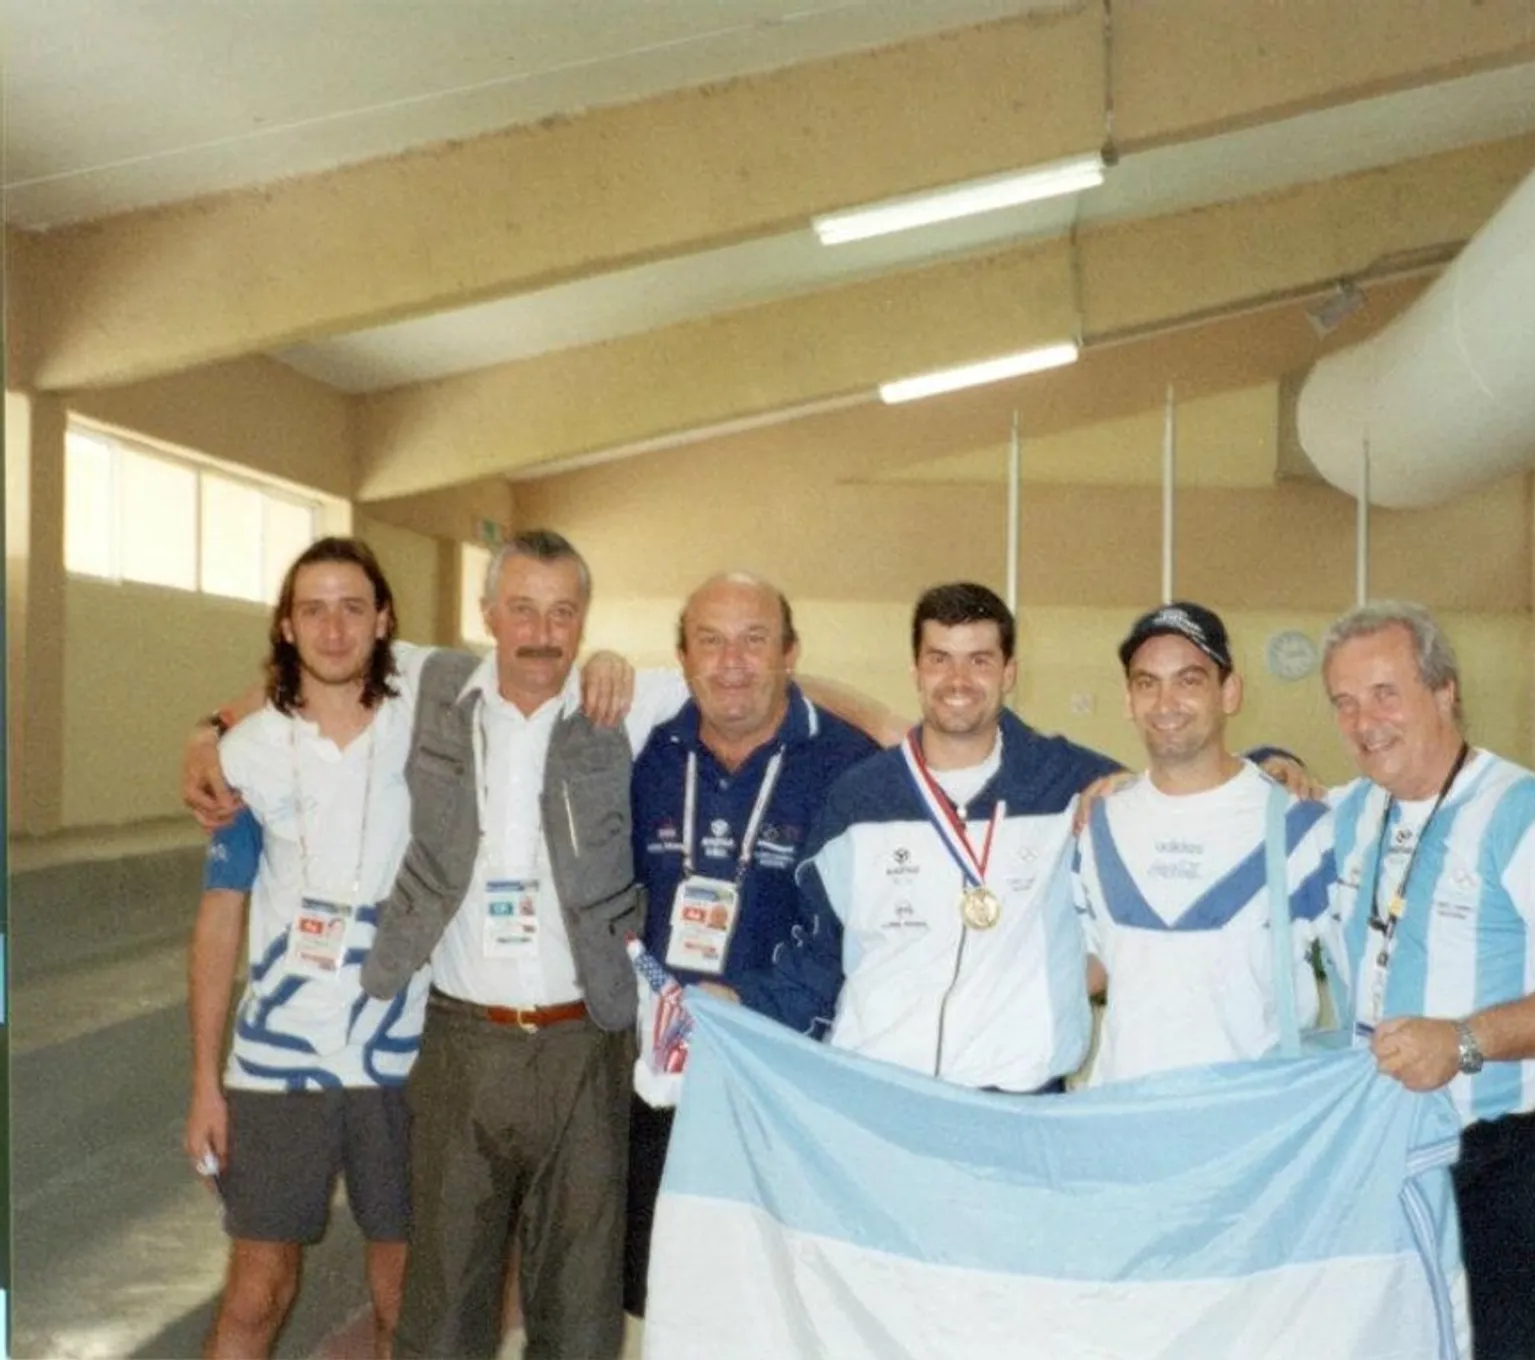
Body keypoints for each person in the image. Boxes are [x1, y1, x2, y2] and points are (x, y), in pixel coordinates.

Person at [357, 530, 688, 1359]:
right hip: (464, 1042)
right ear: (488, 614)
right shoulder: (429, 684)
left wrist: (897, 722)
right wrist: (209, 728)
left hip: (586, 1043)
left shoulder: (624, 698)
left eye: (564, 613)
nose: (542, 633)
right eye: (523, 610)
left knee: (580, 1307)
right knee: (444, 1297)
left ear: (585, 620)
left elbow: (758, 683)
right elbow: (315, 670)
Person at [1314, 600, 1535, 1360]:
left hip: (1509, 1163)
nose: (1366, 721)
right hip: (1386, 1156)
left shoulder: (1533, 817)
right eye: (1345, 702)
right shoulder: (1348, 814)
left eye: (1386, 693)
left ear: (1444, 691)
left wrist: (1466, 1040)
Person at [185, 537, 429, 1359]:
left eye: (353, 607)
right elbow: (220, 919)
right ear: (286, 626)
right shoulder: (243, 758)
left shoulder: (427, 720)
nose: (334, 628)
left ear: (384, 618)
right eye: (314, 609)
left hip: (403, 1063)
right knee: (257, 1293)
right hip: (275, 1067)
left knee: (404, 1294)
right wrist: (204, 1084)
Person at [621, 572, 877, 1319]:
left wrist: (748, 1005)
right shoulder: (651, 757)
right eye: (712, 641)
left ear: (791, 653)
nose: (732, 662)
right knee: (667, 1293)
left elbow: (858, 934)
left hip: (787, 1077)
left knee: (781, 1297)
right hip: (667, 1075)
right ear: (683, 657)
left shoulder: (850, 766)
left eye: (754, 640)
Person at [792, 582, 1123, 1093]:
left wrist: (1270, 764)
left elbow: (1192, 790)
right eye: (940, 659)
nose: (958, 679)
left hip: (1019, 1105)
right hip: (879, 1094)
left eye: (980, 661)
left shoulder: (1063, 779)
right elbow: (815, 956)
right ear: (916, 671)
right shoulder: (858, 799)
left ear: (1009, 673)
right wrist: (734, 1004)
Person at [1073, 602, 1331, 1086]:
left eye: (1188, 680)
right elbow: (1091, 966)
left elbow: (1365, 978)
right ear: (1128, 699)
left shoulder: (1302, 826)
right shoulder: (1096, 823)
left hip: (1253, 1128)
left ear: (1229, 692)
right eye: (1147, 683)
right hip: (1123, 1125)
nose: (1166, 703)